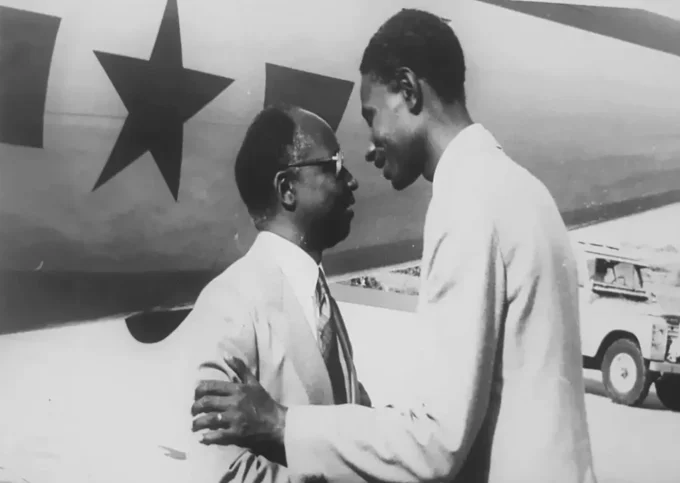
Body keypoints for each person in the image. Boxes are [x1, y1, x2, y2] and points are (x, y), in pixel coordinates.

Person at [191, 9, 597, 483]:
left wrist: (282, 424)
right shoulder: (522, 189)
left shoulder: (466, 200)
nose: (369, 147)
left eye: (372, 116)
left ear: (408, 90)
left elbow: (435, 443)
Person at [182, 104, 370, 483]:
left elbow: (357, 426)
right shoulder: (229, 304)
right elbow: (220, 471)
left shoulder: (322, 301)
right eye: (335, 165)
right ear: (287, 189)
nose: (351, 182)